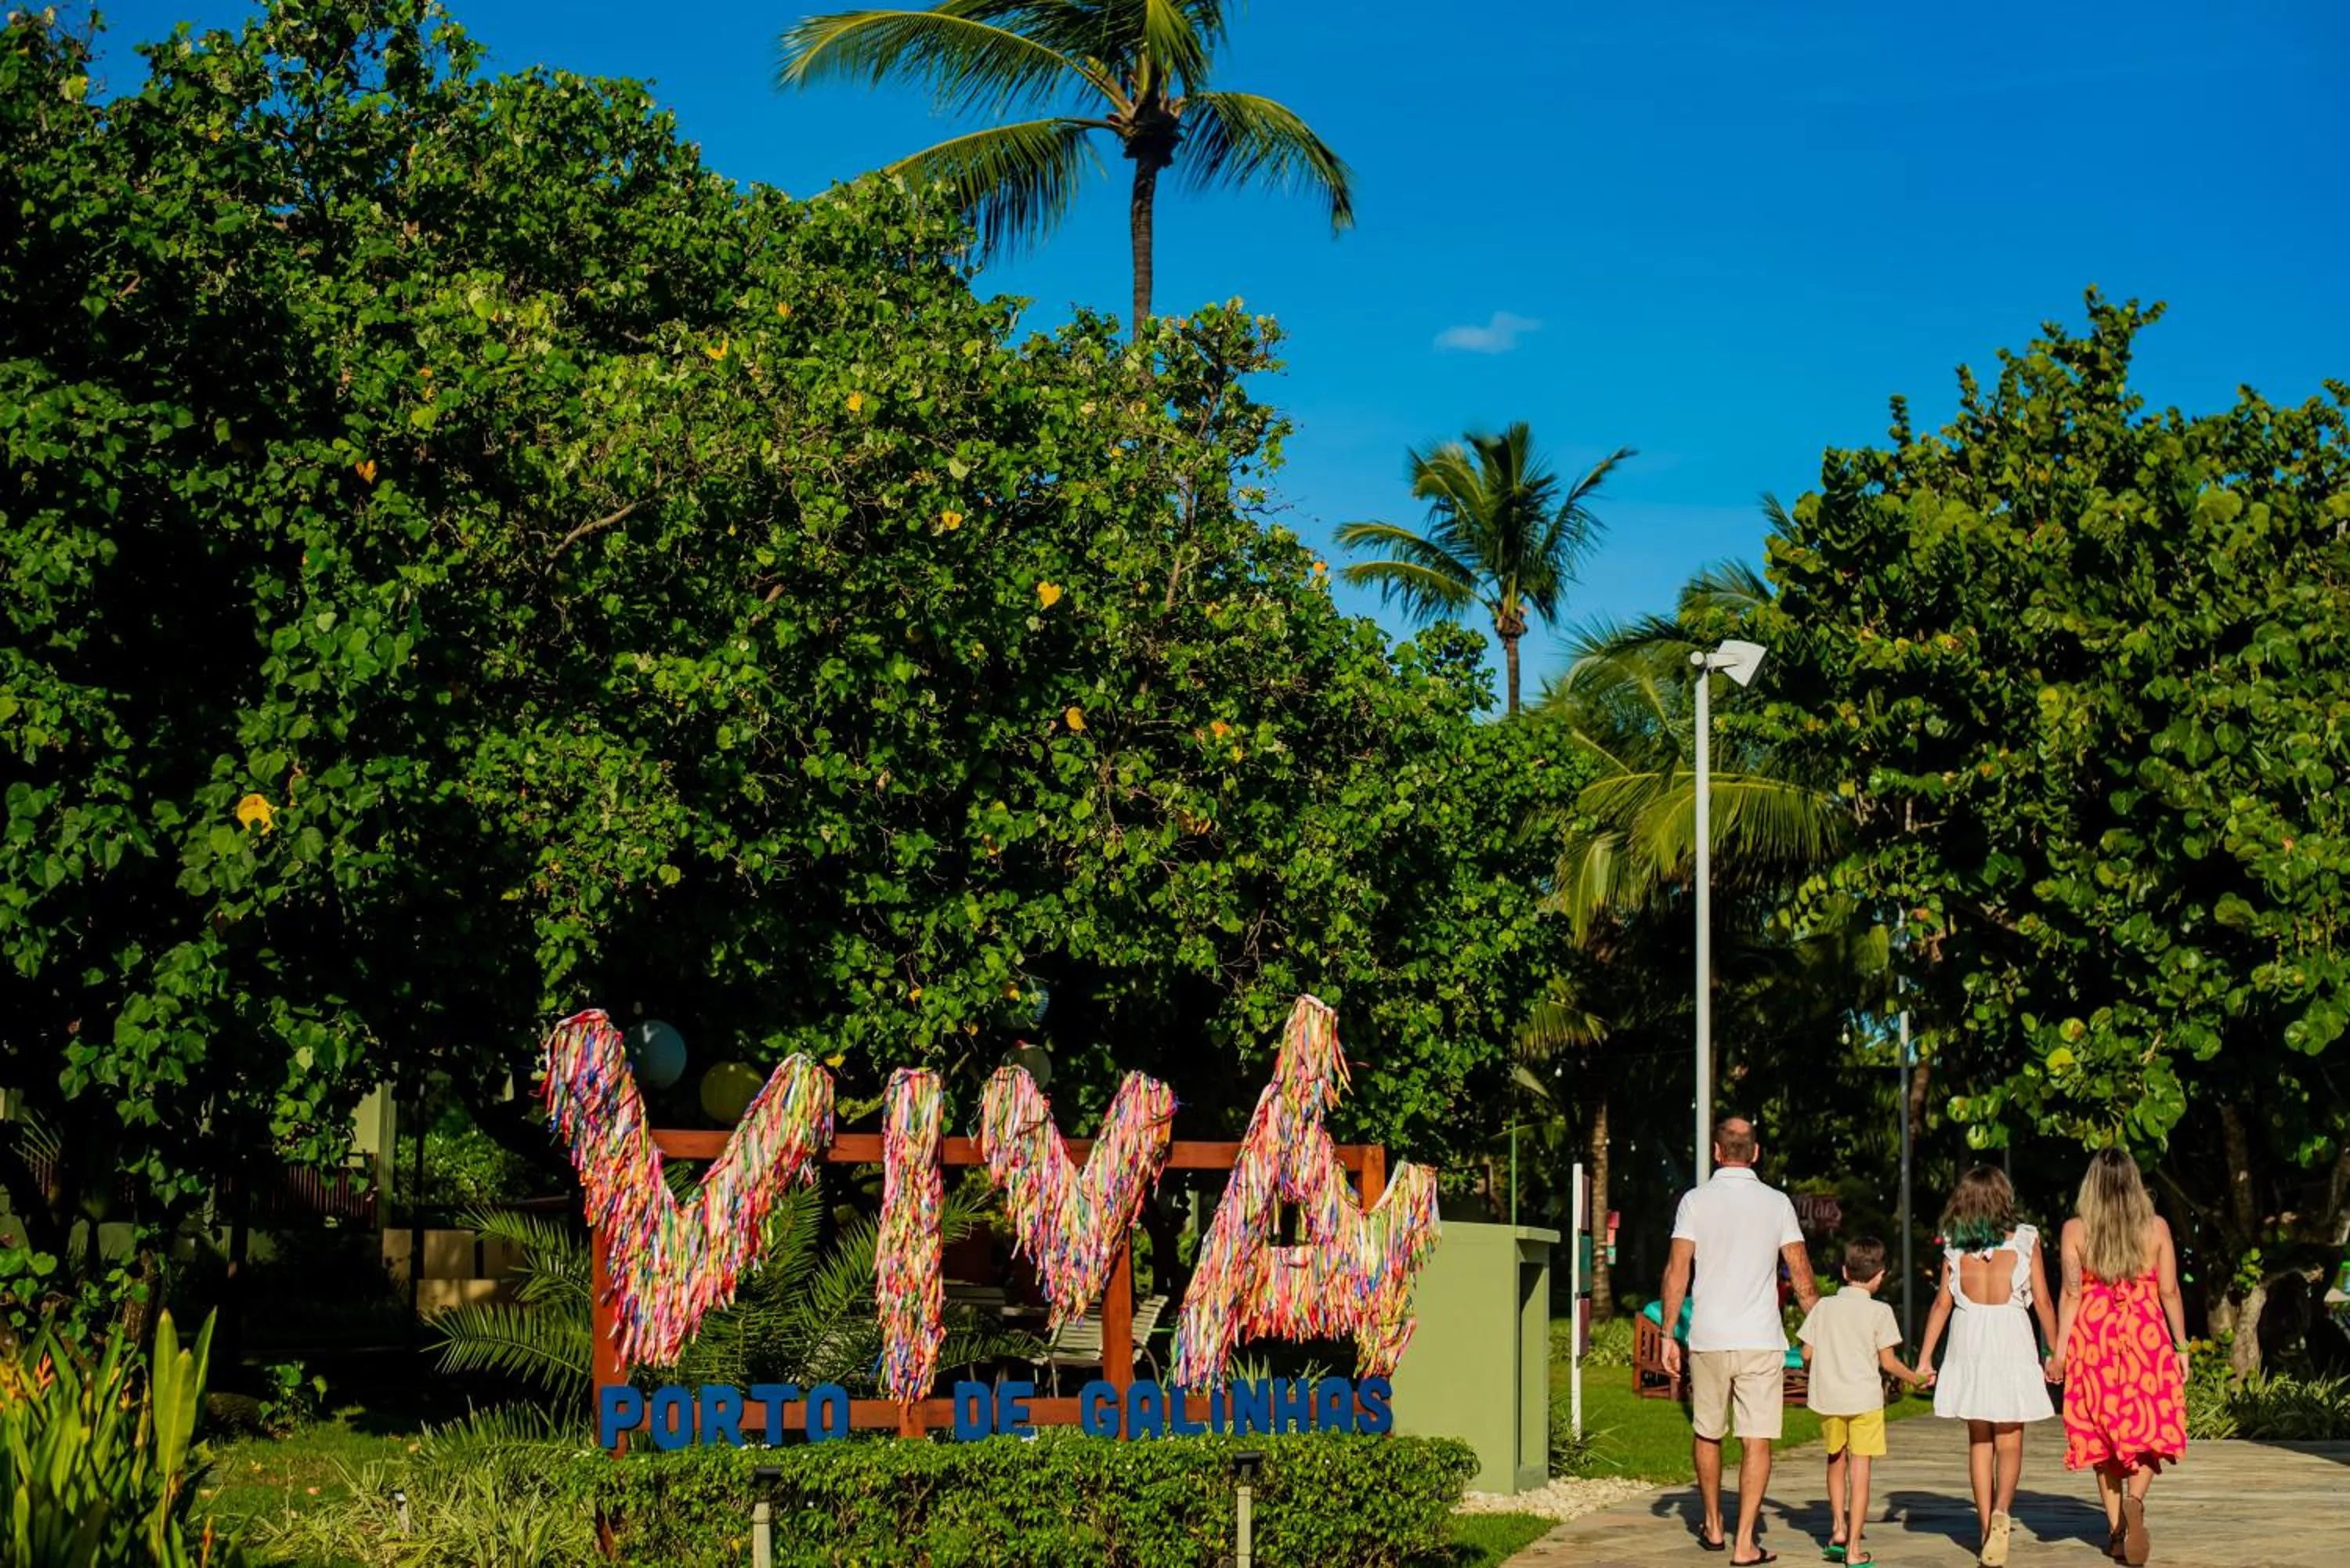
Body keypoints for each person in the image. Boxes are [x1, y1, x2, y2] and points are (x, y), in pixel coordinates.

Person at [1658, 1115, 1820, 1565]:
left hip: (1708, 1337)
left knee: (1707, 1431)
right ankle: (1746, 1541)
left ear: (1716, 1151)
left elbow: (1677, 1271)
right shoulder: (1777, 1203)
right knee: (1757, 1439)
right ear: (1756, 1152)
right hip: (1761, 1338)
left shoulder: (1695, 1201)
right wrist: (1823, 1331)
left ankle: (1712, 1523)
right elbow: (1801, 1274)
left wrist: (1669, 1333)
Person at [2044, 1149, 2188, 1566]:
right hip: (2146, 1335)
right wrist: (2181, 1347)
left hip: (2095, 1337)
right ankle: (2136, 1502)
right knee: (2152, 1426)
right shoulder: (2156, 1227)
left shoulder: (2075, 1229)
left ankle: (2116, 1532)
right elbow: (2170, 1291)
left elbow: (2072, 1293)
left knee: (2100, 1435)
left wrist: (2059, 1354)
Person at [1914, 1165, 2057, 1568]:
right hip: (2011, 1336)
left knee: (1980, 1439)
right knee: (2010, 1438)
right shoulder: (2028, 1240)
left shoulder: (1955, 1248)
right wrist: (2056, 1352)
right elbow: (2044, 1302)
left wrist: (1925, 1358)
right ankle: (2002, 1512)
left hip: (1970, 1339)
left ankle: (1983, 1529)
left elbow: (1942, 1304)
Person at [1797, 1236, 1934, 1566]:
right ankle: (1854, 1551)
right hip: (1865, 1401)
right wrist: (1916, 1378)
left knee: (1835, 1459)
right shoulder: (1880, 1312)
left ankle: (1838, 1528)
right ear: (1880, 1275)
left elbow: (1806, 1354)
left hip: (1830, 1399)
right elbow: (1888, 1363)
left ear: (1845, 1271)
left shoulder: (1824, 1308)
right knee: (1861, 1471)